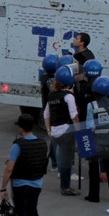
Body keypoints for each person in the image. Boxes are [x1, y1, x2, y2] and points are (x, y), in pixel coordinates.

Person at [0, 113, 47, 216]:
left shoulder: (18, 145)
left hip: (21, 185)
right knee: (33, 213)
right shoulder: (42, 142)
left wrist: (3, 187)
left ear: (21, 128)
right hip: (37, 184)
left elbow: (9, 169)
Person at [44, 65, 80, 196]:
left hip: (54, 132)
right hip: (66, 131)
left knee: (61, 158)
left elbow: (46, 114)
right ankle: (65, 187)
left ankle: (65, 185)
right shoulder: (69, 97)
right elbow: (74, 116)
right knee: (67, 161)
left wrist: (48, 129)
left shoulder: (51, 95)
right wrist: (79, 131)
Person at [85, 77, 109, 203]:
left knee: (93, 168)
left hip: (96, 141)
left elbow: (89, 126)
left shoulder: (91, 105)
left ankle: (94, 196)